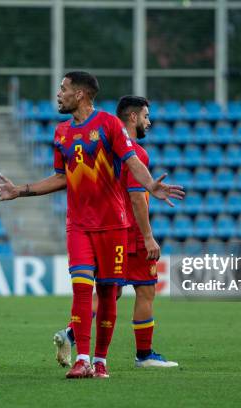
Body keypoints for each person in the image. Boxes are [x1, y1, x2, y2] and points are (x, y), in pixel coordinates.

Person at [0, 72, 185, 379]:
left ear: (80, 94)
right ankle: (82, 359)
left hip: (113, 226)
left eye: (63, 89)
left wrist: (150, 185)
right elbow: (60, 177)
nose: (59, 94)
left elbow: (132, 159)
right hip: (78, 225)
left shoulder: (108, 124)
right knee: (81, 289)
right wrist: (21, 191)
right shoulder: (61, 132)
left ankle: (100, 361)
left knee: (108, 294)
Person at [53, 96, 178, 369]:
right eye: (145, 116)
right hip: (128, 233)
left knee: (110, 292)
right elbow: (136, 197)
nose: (149, 121)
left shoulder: (105, 144)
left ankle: (71, 335)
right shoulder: (134, 153)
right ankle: (143, 355)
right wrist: (147, 236)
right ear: (132, 118)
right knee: (145, 290)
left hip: (103, 227)